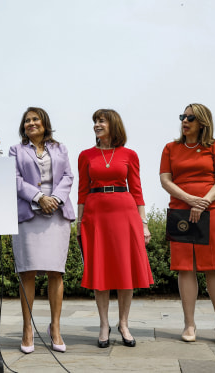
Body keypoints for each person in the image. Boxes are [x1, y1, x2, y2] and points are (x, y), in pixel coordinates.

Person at [77, 109, 153, 348]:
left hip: (125, 213)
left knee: (125, 271)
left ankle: (123, 324)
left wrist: (143, 224)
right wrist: (79, 224)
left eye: (101, 121)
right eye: (95, 122)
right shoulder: (85, 155)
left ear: (113, 125)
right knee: (99, 271)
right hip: (95, 215)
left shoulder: (129, 154)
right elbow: (81, 190)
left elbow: (137, 190)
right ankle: (103, 325)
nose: (96, 125)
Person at [159, 103, 215, 346]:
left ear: (202, 122)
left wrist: (204, 202)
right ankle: (189, 324)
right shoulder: (171, 148)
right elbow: (165, 180)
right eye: (182, 116)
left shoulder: (214, 146)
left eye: (190, 117)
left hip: (212, 211)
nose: (185, 120)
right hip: (181, 212)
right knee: (185, 268)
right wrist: (189, 199)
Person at [9, 107, 75, 354]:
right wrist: (38, 197)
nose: (30, 123)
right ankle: (28, 328)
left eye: (35, 119)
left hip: (56, 214)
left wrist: (54, 199)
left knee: (56, 272)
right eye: (26, 120)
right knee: (27, 272)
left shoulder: (61, 149)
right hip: (28, 215)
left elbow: (68, 177)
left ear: (45, 123)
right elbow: (14, 180)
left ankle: (55, 327)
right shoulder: (16, 150)